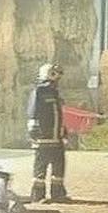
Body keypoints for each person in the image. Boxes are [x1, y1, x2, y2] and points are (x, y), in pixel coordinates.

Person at [27, 62, 69, 203]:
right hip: (44, 137)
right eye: (56, 76)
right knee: (41, 166)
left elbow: (58, 114)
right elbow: (33, 110)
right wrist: (34, 127)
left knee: (59, 165)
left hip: (56, 137)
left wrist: (63, 131)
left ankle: (58, 193)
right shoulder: (39, 91)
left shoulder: (54, 92)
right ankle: (38, 195)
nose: (58, 80)